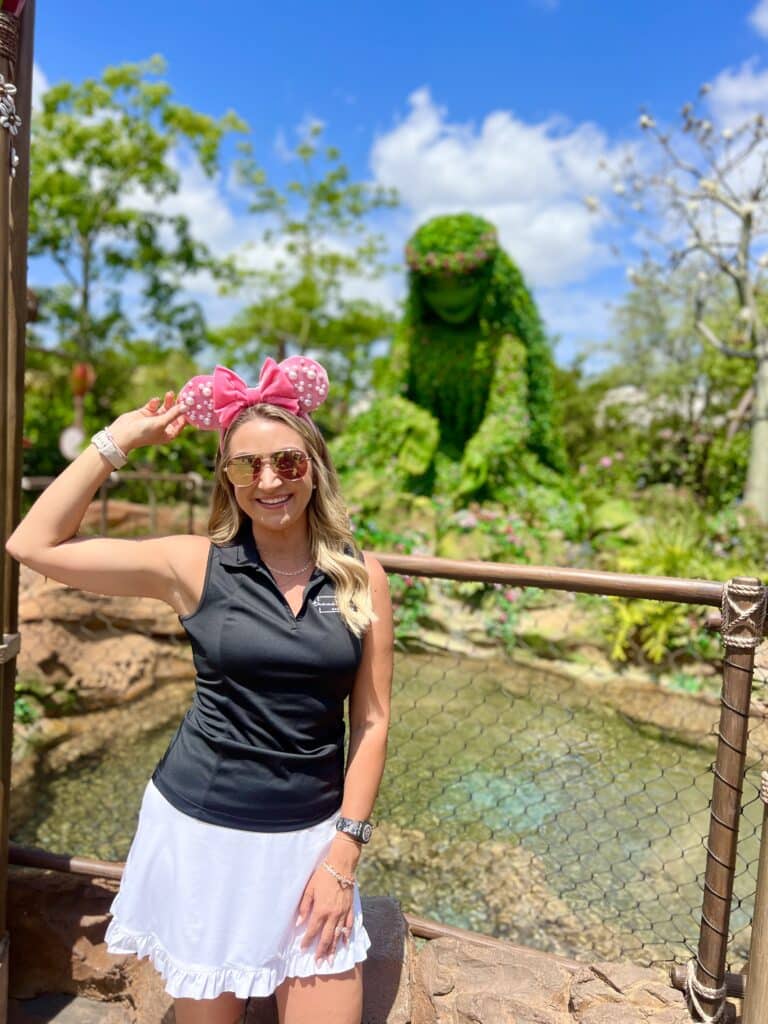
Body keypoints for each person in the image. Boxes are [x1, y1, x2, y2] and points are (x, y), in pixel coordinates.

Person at [5, 356, 393, 1024]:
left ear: (315, 467)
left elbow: (374, 722)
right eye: (247, 466)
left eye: (288, 462)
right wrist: (119, 438)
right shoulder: (193, 564)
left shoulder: (361, 575)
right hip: (204, 832)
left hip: (311, 842)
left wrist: (344, 852)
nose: (270, 480)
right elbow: (33, 543)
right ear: (228, 478)